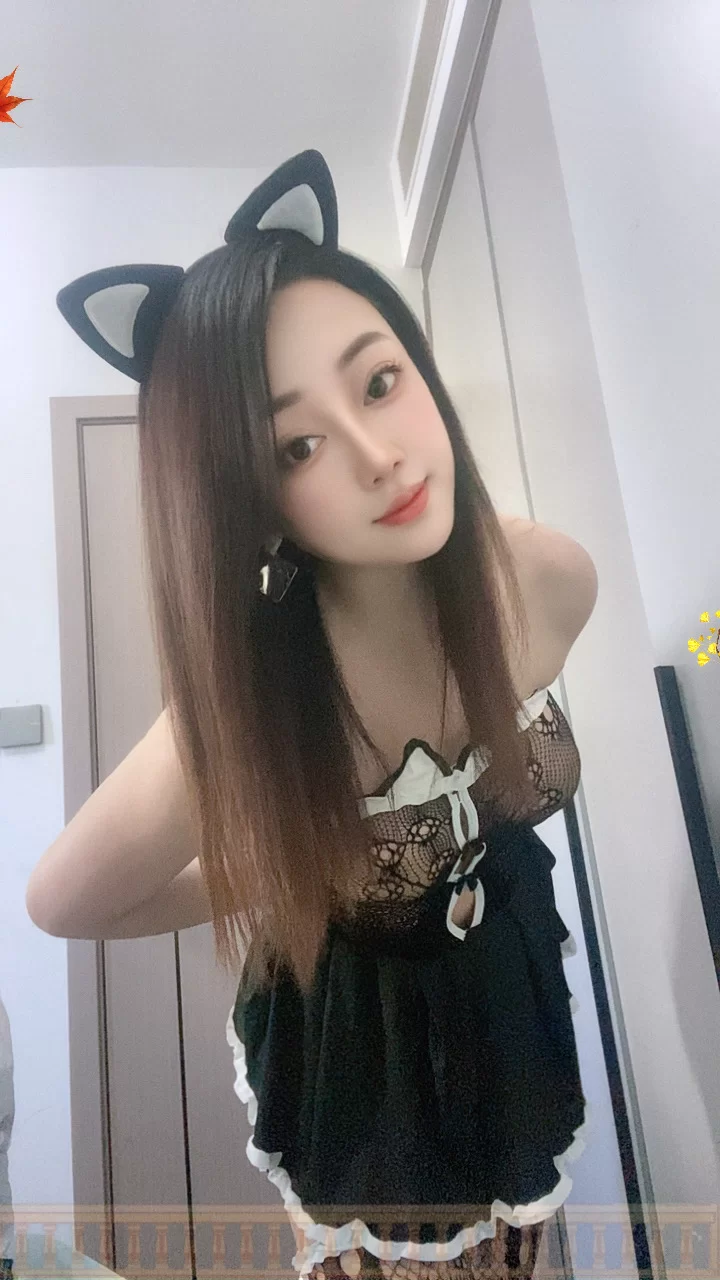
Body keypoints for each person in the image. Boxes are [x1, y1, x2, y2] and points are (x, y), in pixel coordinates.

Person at [29, 151, 592, 1278]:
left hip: (511, 994)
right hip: (363, 1065)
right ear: (248, 495)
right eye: (297, 444)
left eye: (378, 381)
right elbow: (66, 898)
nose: (381, 456)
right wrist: (279, 862)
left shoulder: (546, 580)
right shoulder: (255, 708)